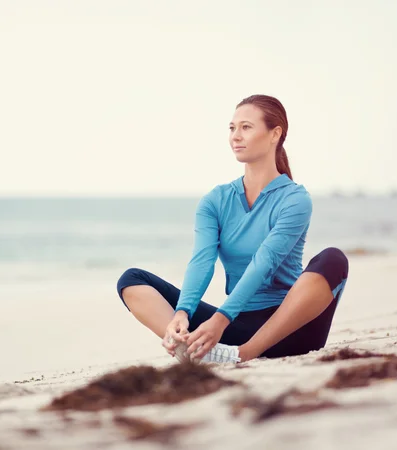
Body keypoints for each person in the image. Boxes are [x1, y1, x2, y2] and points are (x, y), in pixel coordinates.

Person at [116, 95, 349, 364]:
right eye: (232, 128)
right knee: (132, 279)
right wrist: (182, 313)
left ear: (275, 134)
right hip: (237, 324)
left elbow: (264, 263)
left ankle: (243, 354)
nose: (235, 136)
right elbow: (202, 261)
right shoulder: (215, 200)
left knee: (333, 259)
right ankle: (190, 347)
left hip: (292, 329)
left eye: (246, 127)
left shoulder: (295, 199)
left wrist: (220, 320)